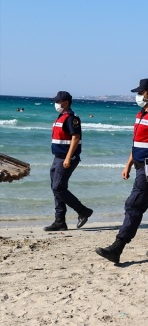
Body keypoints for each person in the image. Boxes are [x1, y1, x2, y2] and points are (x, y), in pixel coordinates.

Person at [96, 79, 148, 264]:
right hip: (140, 165)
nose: (138, 96)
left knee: (133, 206)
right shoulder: (141, 114)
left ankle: (118, 247)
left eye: (141, 93)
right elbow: (137, 144)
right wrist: (128, 164)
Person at [44, 91, 93, 231]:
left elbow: (75, 138)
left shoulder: (72, 119)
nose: (56, 104)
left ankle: (83, 211)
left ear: (65, 102)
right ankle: (60, 221)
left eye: (58, 101)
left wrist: (68, 158)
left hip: (66, 158)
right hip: (57, 157)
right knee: (56, 188)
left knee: (58, 188)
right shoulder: (61, 117)